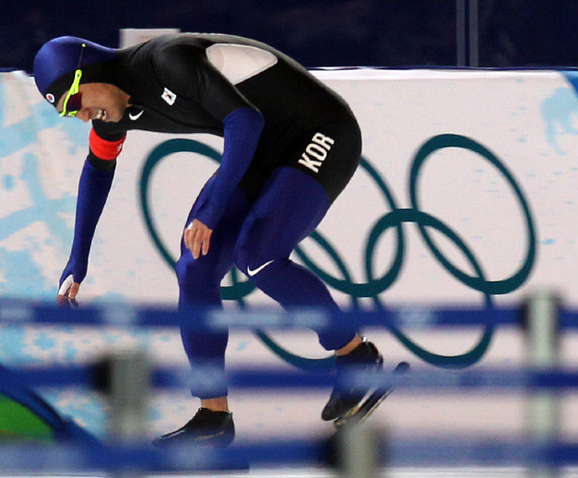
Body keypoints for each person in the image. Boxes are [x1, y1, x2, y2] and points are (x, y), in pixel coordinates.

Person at [33, 34, 383, 447]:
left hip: (320, 129)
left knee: (258, 254)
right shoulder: (113, 113)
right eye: (68, 113)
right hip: (260, 146)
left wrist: (213, 212)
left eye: (74, 102)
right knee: (195, 267)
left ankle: (355, 356)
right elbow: (97, 171)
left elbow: (244, 121)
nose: (81, 116)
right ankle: (213, 418)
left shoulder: (167, 61)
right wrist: (78, 257)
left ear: (88, 71)